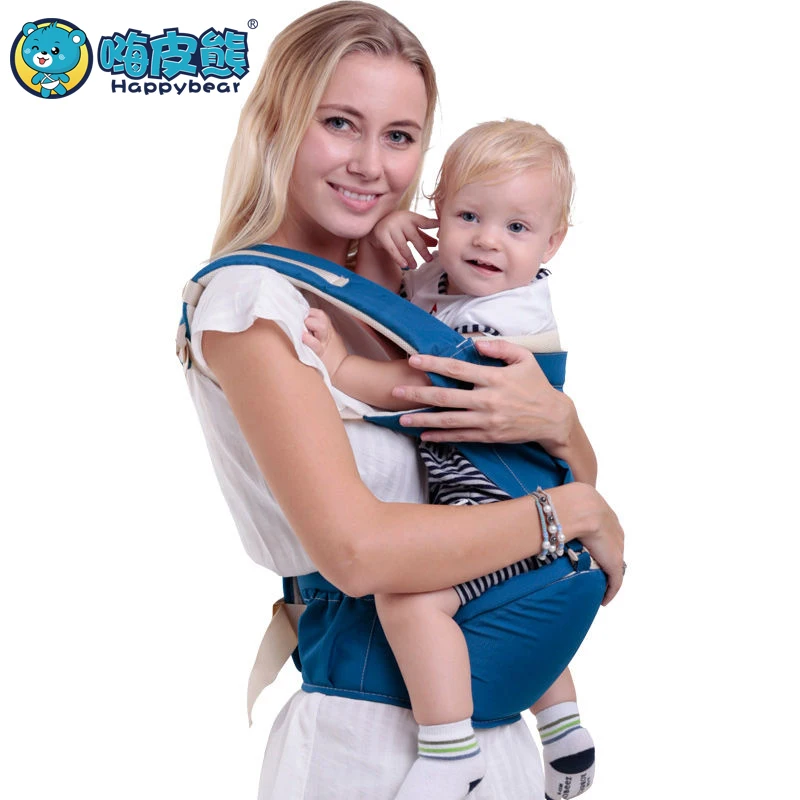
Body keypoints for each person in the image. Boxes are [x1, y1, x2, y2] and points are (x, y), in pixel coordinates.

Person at [182, 3, 624, 798]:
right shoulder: (254, 302)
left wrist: (562, 424)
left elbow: (529, 471)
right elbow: (358, 552)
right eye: (340, 123)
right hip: (368, 740)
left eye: (398, 136)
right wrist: (578, 513)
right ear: (277, 122)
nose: (370, 165)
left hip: (497, 725)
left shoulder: (429, 290)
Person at [303, 119, 598, 799]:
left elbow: (420, 381)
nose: (488, 240)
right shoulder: (468, 282)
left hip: (501, 510)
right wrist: (389, 235)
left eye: (516, 228)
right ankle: (563, 727)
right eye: (468, 216)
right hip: (527, 510)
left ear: (553, 242)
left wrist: (342, 366)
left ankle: (449, 751)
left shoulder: (503, 323)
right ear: (438, 211)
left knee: (409, 599)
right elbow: (407, 299)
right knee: (511, 609)